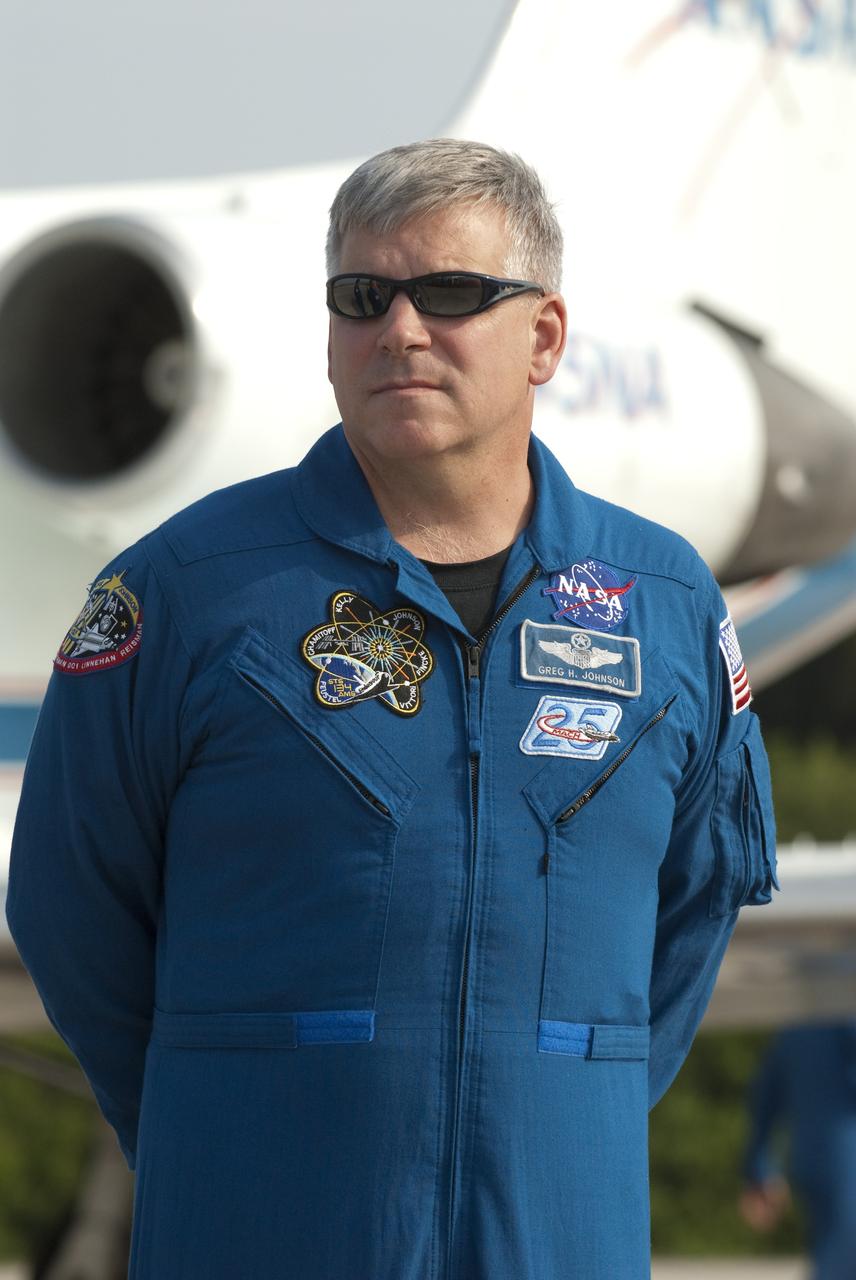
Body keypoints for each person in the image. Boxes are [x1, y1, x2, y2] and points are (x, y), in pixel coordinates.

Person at [7, 138, 779, 1280]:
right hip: (261, 1230)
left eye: (452, 294)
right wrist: (224, 1106)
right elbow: (73, 912)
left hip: (556, 1233)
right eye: (362, 297)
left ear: (545, 339)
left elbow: (694, 907)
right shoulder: (179, 594)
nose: (400, 329)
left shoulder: (661, 605)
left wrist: (562, 1087)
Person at [740, 1023, 856, 1280]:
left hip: (812, 1160)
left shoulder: (798, 1018)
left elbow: (766, 1094)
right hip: (846, 1165)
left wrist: (759, 1167)